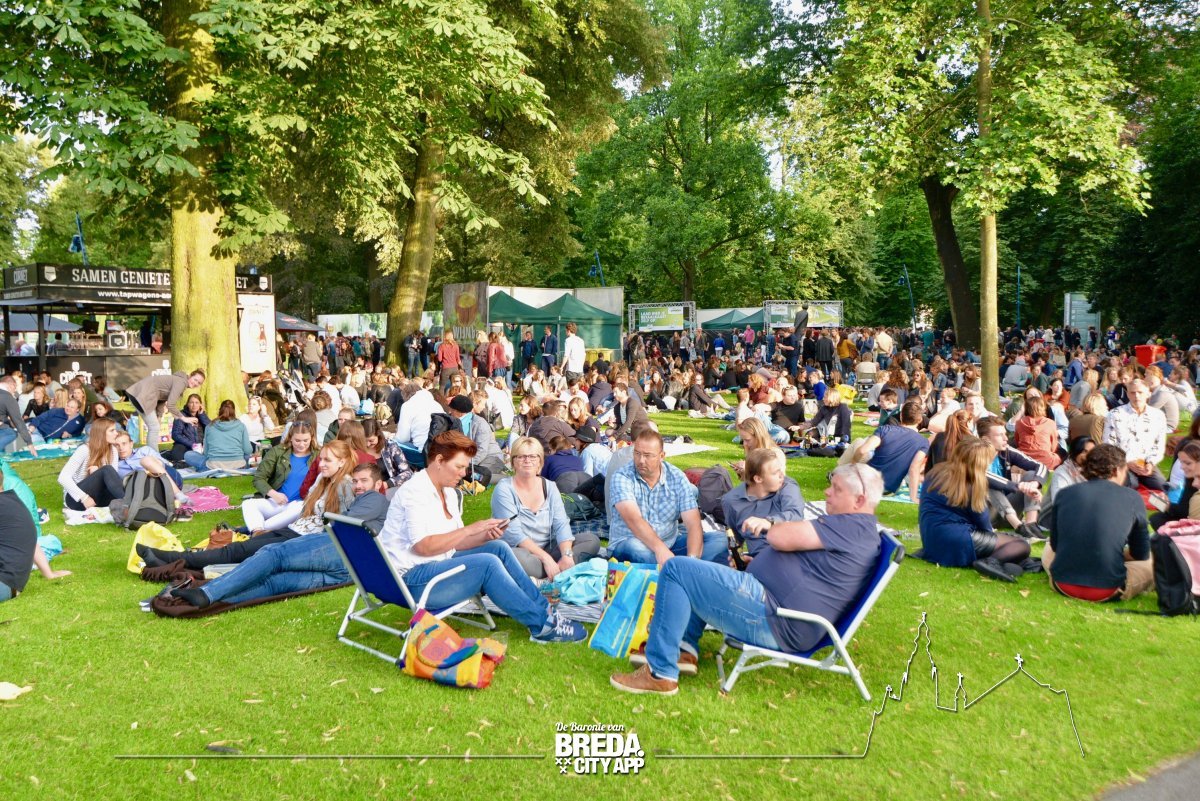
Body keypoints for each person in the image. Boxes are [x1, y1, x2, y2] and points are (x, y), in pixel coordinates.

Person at [611, 464, 884, 695]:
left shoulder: (850, 526)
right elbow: (815, 568)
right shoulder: (858, 530)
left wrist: (771, 524)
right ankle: (683, 648)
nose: (826, 492)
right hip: (777, 612)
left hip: (775, 619)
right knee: (696, 571)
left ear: (859, 500)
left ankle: (660, 673)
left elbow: (779, 537)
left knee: (676, 569)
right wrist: (763, 564)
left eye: (836, 489)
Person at [378, 430, 586, 643]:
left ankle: (545, 610)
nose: (464, 473)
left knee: (498, 547)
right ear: (439, 461)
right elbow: (423, 547)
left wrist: (486, 536)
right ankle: (542, 626)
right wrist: (470, 529)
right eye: (459, 467)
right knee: (487, 564)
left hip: (435, 565)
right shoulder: (415, 492)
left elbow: (455, 543)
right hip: (411, 581)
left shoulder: (448, 492)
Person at [164, 462, 390, 610]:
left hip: (340, 551)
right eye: (355, 481)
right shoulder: (364, 500)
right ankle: (210, 599)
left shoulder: (374, 498)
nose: (358, 486)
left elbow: (341, 526)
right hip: (352, 572)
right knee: (277, 583)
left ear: (379, 484)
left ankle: (207, 593)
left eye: (364, 481)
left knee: (273, 554)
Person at [143, 440, 358, 572]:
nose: (321, 464)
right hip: (294, 530)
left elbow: (343, 527)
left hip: (303, 540)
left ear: (342, 462)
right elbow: (306, 509)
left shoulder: (345, 485)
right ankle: (174, 559)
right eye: (321, 459)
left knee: (241, 551)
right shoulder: (323, 479)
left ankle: (172, 559)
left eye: (327, 460)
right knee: (241, 546)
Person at [1042, 444, 1153, 601]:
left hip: (1061, 583)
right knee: (1153, 561)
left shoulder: (1065, 493)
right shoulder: (1133, 498)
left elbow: (1055, 545)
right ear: (1116, 470)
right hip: (1108, 588)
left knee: (1048, 548)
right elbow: (1140, 553)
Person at [918, 437, 1033, 581]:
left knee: (1009, 541)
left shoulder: (937, 471)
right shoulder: (973, 483)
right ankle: (991, 562)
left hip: (931, 537)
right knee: (1021, 545)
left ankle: (997, 560)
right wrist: (994, 537)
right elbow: (983, 523)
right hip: (959, 538)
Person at [608, 429, 727, 565]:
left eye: (647, 455)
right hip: (631, 543)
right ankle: (679, 570)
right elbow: (634, 520)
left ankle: (681, 568)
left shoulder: (676, 477)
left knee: (720, 540)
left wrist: (692, 559)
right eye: (637, 453)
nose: (641, 460)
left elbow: (693, 523)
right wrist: (660, 549)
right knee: (634, 547)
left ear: (662, 456)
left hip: (670, 544)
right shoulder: (622, 476)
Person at [490, 437, 601, 578]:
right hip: (520, 549)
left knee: (591, 540)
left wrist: (566, 555)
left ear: (540, 461)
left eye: (533, 456)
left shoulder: (550, 486)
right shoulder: (504, 489)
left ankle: (556, 569)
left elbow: (561, 524)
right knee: (513, 556)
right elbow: (515, 535)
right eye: (521, 456)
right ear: (513, 462)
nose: (527, 460)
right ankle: (559, 572)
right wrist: (546, 559)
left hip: (549, 547)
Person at [721, 447, 805, 558]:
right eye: (775, 472)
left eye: (780, 470)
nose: (782, 475)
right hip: (758, 559)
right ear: (758, 479)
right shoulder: (731, 501)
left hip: (791, 555)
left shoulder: (787, 486)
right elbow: (734, 538)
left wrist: (770, 522)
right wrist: (739, 558)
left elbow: (796, 514)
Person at [976, 416, 1047, 539]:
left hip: (1009, 510)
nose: (1006, 438)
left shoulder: (1006, 450)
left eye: (1005, 434)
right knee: (989, 484)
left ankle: (1031, 524)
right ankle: (1019, 527)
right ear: (985, 439)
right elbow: (984, 475)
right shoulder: (973, 453)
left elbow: (1040, 466)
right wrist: (1019, 486)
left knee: (1031, 475)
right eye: (1000, 435)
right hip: (986, 514)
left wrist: (1033, 484)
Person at [241, 421, 316, 534]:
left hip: (298, 505)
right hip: (276, 501)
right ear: (290, 438)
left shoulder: (318, 455)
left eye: (306, 440)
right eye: (297, 440)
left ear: (312, 438)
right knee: (248, 504)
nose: (302, 444)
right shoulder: (278, 451)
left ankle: (259, 530)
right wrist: (273, 494)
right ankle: (258, 531)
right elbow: (258, 477)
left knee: (301, 507)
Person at [853, 399, 928, 495]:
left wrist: (852, 465)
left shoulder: (885, 430)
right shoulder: (923, 443)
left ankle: (843, 474)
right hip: (889, 489)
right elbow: (915, 469)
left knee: (858, 442)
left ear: (901, 416)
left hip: (866, 482)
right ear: (920, 420)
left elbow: (863, 451)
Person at [1103, 379, 1167, 490]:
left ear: (1148, 393)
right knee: (1130, 485)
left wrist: (1151, 463)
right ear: (1127, 394)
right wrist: (1127, 462)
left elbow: (1159, 444)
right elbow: (1108, 445)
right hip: (1121, 464)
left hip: (1145, 464)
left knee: (1163, 487)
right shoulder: (1114, 414)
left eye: (1140, 392)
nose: (1136, 396)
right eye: (1132, 392)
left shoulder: (1158, 416)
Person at [125, 368, 205, 449]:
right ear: (190, 376)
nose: (196, 383)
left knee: (155, 426)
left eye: (199, 383)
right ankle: (153, 454)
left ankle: (152, 453)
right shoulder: (181, 382)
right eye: (195, 379)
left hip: (142, 394)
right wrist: (184, 418)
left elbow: (162, 399)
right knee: (154, 427)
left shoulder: (180, 381)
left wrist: (159, 416)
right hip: (141, 395)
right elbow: (171, 404)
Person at [56, 418, 122, 511]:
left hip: (98, 497)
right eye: (112, 430)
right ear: (101, 433)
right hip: (77, 499)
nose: (116, 433)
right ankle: (128, 504)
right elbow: (63, 477)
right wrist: (84, 497)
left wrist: (97, 473)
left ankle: (131, 504)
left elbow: (112, 482)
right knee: (107, 469)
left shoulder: (113, 450)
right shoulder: (84, 449)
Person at [447, 394, 506, 480]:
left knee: (477, 476)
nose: (450, 412)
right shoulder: (452, 422)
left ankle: (505, 478)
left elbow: (482, 451)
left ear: (459, 412)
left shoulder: (480, 423)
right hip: (471, 459)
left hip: (491, 457)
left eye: (452, 410)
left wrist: (464, 465)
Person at [183, 399, 252, 471]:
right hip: (238, 465)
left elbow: (206, 453)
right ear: (234, 411)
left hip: (213, 465)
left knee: (188, 455)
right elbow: (248, 450)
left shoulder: (209, 426)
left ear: (220, 410)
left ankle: (207, 469)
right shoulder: (241, 426)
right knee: (247, 456)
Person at [1013, 393, 1061, 470]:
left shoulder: (1019, 423)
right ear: (1043, 407)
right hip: (1046, 461)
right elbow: (1053, 446)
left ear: (1026, 408)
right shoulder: (1050, 423)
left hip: (1023, 460)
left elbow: (1017, 442)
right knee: (1057, 459)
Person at [393, 383, 444, 451]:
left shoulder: (407, 405)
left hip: (422, 449)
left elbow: (403, 438)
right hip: (440, 446)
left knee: (391, 444)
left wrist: (392, 437)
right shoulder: (436, 404)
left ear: (405, 396)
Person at [0, 375, 36, 455]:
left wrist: (6, 420)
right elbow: (18, 422)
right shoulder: (8, 398)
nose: (15, 390)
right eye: (15, 387)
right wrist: (29, 443)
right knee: (11, 433)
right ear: (11, 385)